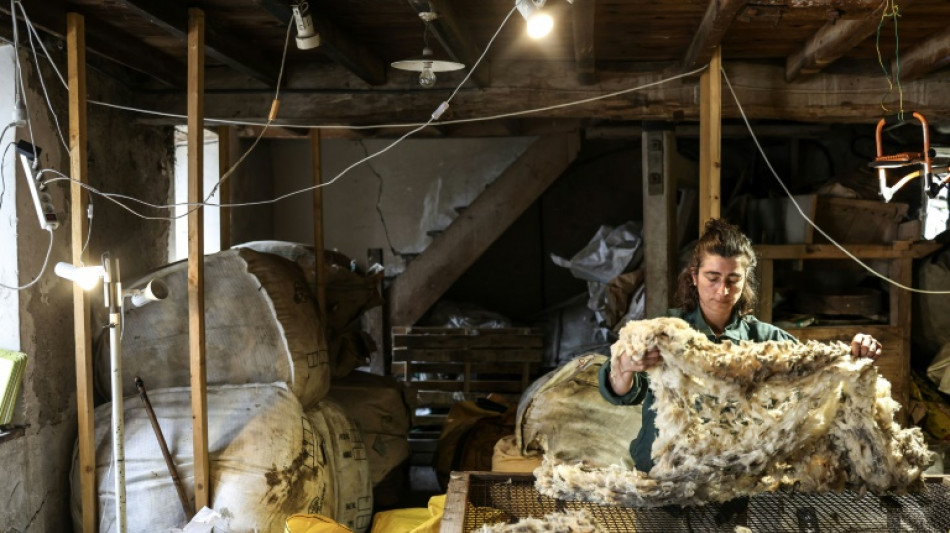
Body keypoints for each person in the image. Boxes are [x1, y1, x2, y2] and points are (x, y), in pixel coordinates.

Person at [598, 218, 883, 472]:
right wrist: (623, 367)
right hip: (664, 474)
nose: (722, 291)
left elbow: (816, 376)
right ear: (694, 277)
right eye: (713, 278)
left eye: (733, 280)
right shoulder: (665, 333)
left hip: (736, 478)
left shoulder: (767, 340)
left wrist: (854, 354)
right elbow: (623, 393)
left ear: (745, 281)